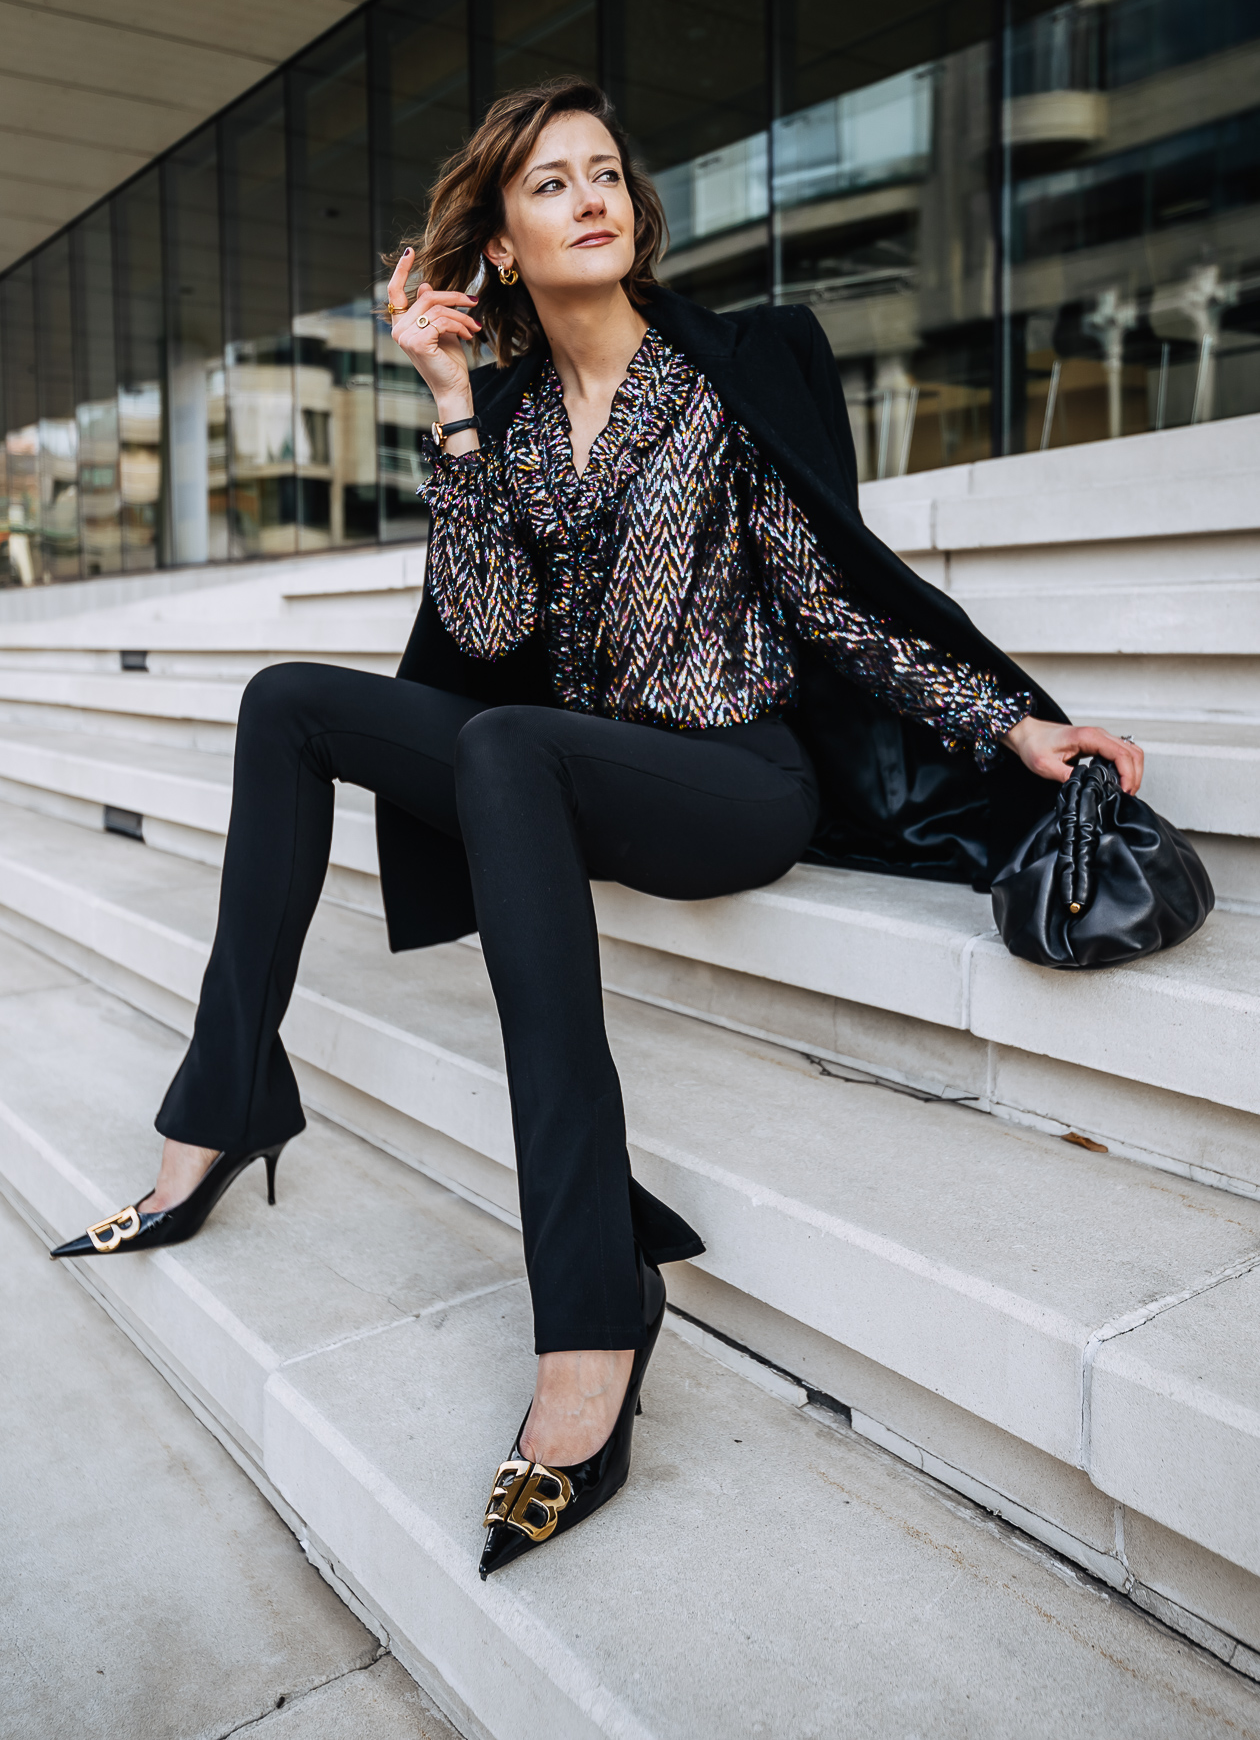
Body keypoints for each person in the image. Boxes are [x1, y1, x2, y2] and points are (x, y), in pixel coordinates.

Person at [51, 76, 1143, 1578]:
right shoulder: (501, 414)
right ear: (500, 244)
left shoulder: (726, 373)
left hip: (732, 778)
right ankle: (223, 1098)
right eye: (552, 183)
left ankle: (591, 1301)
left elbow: (841, 604)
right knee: (288, 700)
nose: (593, 197)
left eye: (608, 172)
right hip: (556, 762)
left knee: (504, 746)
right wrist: (447, 407)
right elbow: (489, 624)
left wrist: (1015, 721)